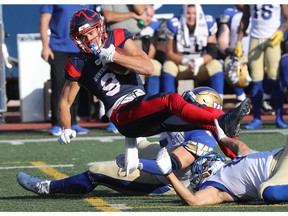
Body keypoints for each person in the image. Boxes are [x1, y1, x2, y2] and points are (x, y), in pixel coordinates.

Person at [56, 8, 251, 175]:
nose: (88, 39)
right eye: (82, 37)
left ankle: (243, 162)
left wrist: (115, 55)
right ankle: (224, 118)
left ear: (100, 28)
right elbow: (65, 101)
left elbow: (147, 67)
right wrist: (66, 127)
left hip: (143, 106)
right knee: (172, 100)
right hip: (122, 113)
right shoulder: (78, 63)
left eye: (90, 33)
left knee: (206, 123)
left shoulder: (118, 38)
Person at [16, 87, 251, 196]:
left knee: (97, 170)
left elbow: (170, 165)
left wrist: (137, 163)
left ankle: (47, 188)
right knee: (136, 139)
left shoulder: (202, 134)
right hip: (163, 159)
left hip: (167, 179)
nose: (188, 107)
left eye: (194, 104)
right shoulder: (186, 121)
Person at [156, 134, 288, 205]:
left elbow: (240, 146)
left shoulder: (236, 161)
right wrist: (169, 173)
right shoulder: (216, 188)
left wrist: (221, 136)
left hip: (283, 155)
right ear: (202, 175)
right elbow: (193, 201)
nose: (209, 161)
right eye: (205, 164)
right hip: (278, 175)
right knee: (269, 192)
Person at [40, 5, 91, 136]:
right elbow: (45, 19)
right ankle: (56, 123)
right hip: (58, 47)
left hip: (80, 47)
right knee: (58, 82)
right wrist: (45, 46)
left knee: (77, 83)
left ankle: (73, 121)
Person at [235, 4, 288, 129]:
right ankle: (256, 118)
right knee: (256, 80)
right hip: (255, 39)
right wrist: (239, 41)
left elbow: (287, 17)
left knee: (274, 78)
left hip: (272, 39)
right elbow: (245, 17)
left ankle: (279, 117)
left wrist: (281, 32)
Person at [101, 4, 150, 133]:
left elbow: (140, 10)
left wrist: (137, 12)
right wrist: (132, 15)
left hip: (134, 40)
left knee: (138, 79)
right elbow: (109, 16)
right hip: (115, 43)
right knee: (112, 82)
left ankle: (139, 115)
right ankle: (114, 118)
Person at [161, 5, 224, 98]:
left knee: (216, 65)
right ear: (183, 14)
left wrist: (198, 62)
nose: (191, 17)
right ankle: (170, 103)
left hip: (201, 64)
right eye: (188, 13)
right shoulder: (175, 24)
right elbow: (169, 53)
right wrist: (186, 62)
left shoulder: (208, 23)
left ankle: (218, 101)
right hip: (181, 64)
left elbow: (212, 52)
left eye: (194, 13)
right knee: (168, 66)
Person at [217, 6, 251, 105]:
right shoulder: (230, 14)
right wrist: (229, 50)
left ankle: (265, 99)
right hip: (237, 53)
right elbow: (222, 39)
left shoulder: (258, 11)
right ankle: (241, 98)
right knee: (230, 64)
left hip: (256, 52)